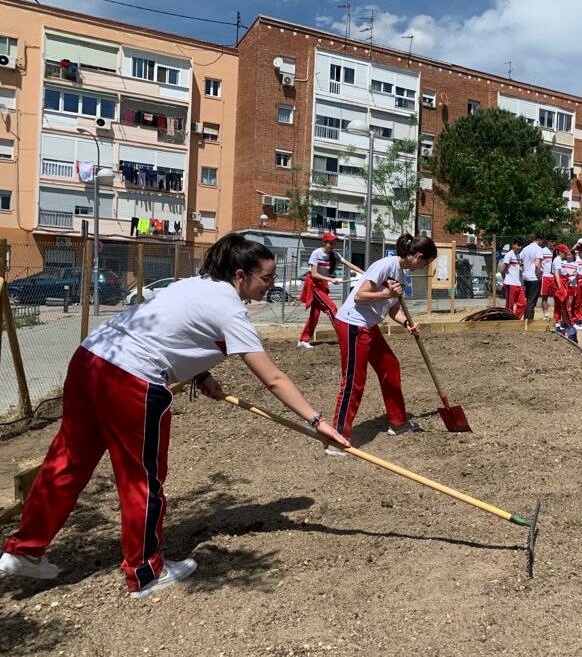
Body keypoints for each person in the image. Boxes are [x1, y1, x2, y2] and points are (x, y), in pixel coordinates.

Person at [0, 233, 349, 598]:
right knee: (142, 477)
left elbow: (175, 329)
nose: (271, 285)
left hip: (91, 360)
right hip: (131, 380)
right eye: (267, 278)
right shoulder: (229, 307)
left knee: (68, 460)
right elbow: (273, 378)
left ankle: (24, 549)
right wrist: (317, 424)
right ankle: (145, 572)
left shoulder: (195, 285)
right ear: (242, 275)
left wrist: (201, 374)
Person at [331, 233, 436, 441]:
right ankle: (337, 437)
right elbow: (361, 296)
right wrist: (387, 294)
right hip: (353, 323)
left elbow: (392, 309)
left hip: (369, 325)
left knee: (390, 366)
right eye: (426, 263)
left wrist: (407, 323)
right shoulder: (385, 265)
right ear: (418, 256)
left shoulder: (402, 276)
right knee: (354, 380)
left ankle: (398, 422)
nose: (424, 267)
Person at [298, 232, 349, 349]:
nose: (332, 245)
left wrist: (364, 273)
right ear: (324, 243)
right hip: (314, 285)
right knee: (331, 308)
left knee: (314, 314)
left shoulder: (334, 255)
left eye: (333, 243)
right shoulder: (316, 253)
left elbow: (349, 264)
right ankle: (343, 336)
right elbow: (314, 274)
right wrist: (331, 279)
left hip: (322, 286)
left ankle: (303, 339)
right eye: (329, 243)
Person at [499, 238, 526, 318]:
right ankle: (507, 323)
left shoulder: (518, 256)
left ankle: (515, 320)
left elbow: (520, 271)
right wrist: (505, 280)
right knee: (509, 306)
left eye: (520, 245)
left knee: (523, 304)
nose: (519, 247)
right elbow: (503, 270)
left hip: (518, 284)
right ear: (513, 245)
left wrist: (522, 284)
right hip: (510, 284)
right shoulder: (509, 255)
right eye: (517, 245)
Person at [520, 233, 545, 320]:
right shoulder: (539, 249)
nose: (542, 243)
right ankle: (528, 320)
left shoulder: (525, 249)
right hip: (534, 278)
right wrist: (539, 275)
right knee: (532, 301)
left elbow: (520, 262)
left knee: (527, 300)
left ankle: (525, 318)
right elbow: (537, 264)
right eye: (542, 241)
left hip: (525, 277)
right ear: (539, 239)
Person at [538, 234, 557, 320]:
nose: (554, 243)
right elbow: (538, 263)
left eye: (554, 241)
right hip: (545, 277)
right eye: (552, 241)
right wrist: (540, 273)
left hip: (554, 277)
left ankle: (557, 315)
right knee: (545, 297)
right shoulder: (542, 251)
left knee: (557, 296)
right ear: (547, 242)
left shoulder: (556, 252)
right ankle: (546, 316)